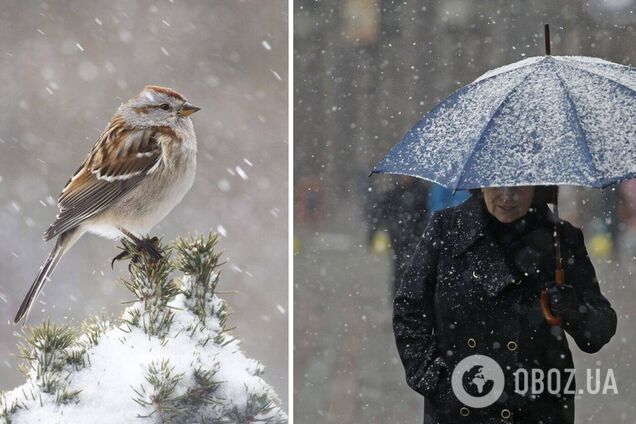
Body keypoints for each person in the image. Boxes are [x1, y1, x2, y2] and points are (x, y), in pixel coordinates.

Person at [393, 186, 617, 424]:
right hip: (461, 408)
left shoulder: (561, 240)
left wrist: (572, 309)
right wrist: (439, 384)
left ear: (537, 187)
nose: (507, 196)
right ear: (481, 184)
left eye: (518, 187)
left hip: (538, 406)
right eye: (498, 186)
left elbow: (598, 332)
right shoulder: (446, 230)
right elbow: (409, 310)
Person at [367, 177, 430, 294]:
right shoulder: (394, 192)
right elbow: (380, 211)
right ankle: (399, 296)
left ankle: (410, 295)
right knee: (399, 267)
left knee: (414, 268)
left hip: (415, 237)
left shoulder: (421, 191)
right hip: (398, 237)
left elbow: (425, 214)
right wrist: (374, 232)